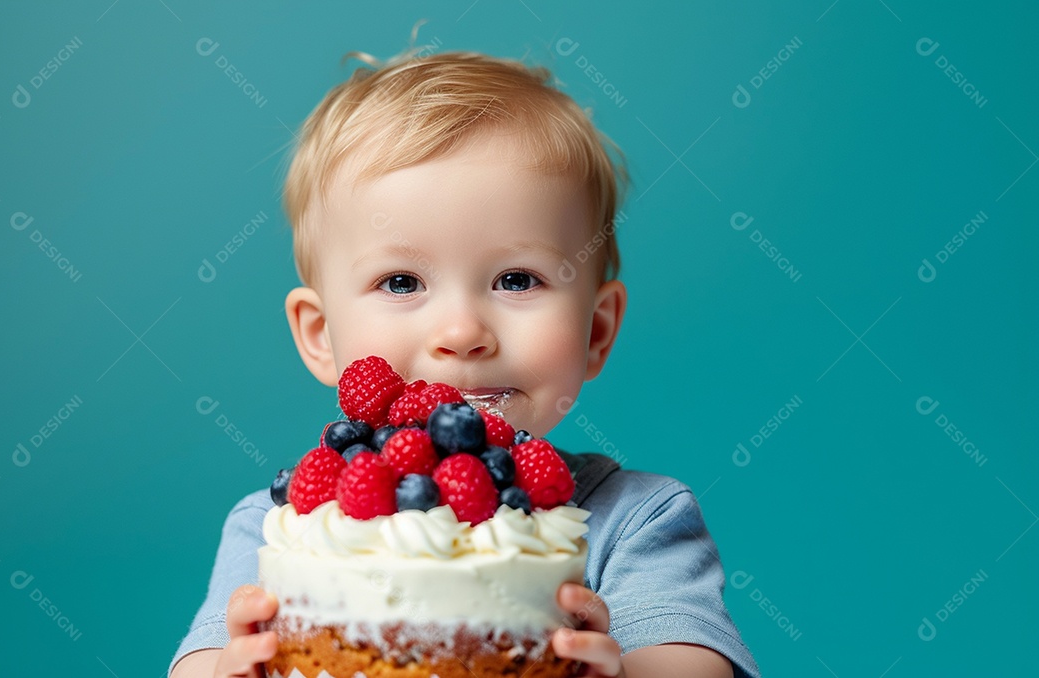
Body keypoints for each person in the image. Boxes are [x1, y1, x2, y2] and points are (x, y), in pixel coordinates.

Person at [169, 47, 760, 678]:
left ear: (596, 330)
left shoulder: (636, 519)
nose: (462, 332)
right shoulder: (279, 524)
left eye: (515, 279)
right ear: (319, 335)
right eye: (400, 282)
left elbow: (695, 665)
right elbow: (199, 664)